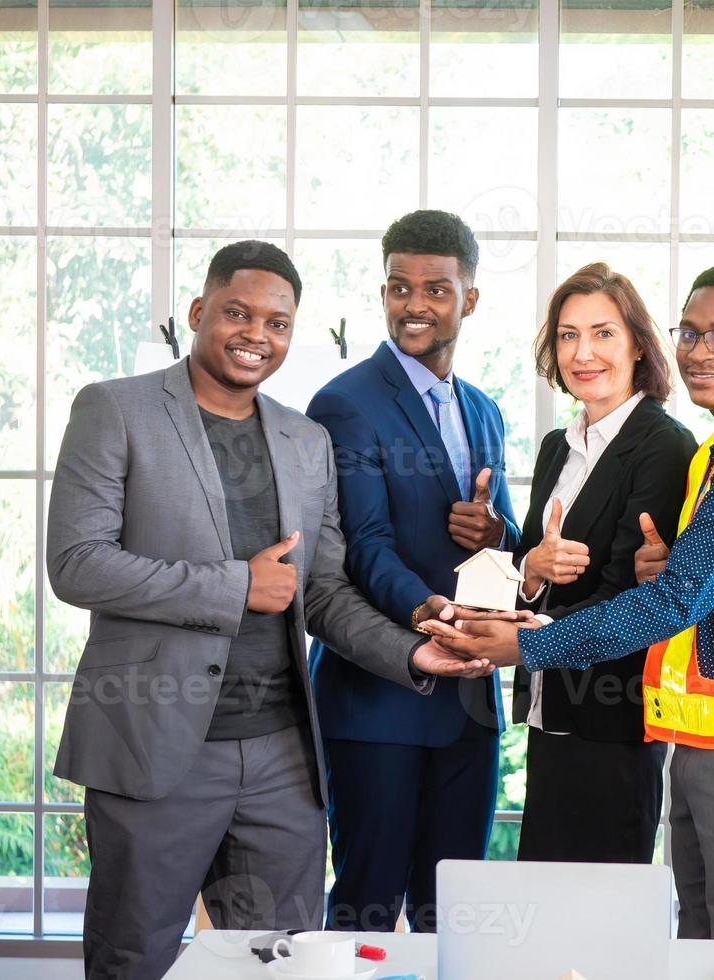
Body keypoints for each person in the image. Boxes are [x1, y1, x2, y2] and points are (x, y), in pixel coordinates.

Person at [47, 240, 491, 980]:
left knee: (286, 963)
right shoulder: (114, 410)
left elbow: (321, 591)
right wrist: (233, 585)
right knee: (134, 958)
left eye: (278, 323)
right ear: (199, 312)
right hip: (156, 747)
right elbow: (76, 564)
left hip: (284, 757)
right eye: (237, 313)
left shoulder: (304, 438)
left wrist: (410, 650)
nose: (257, 334)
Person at [427, 262, 714, 941]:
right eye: (694, 333)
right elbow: (701, 578)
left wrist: (526, 642)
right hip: (708, 738)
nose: (702, 351)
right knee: (706, 945)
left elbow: (675, 599)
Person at [305, 210, 522, 933]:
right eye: (400, 288)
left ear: (471, 299)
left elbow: (509, 545)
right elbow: (362, 546)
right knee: (368, 901)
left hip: (469, 706)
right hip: (380, 702)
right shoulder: (345, 404)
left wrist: (496, 532)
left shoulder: (484, 411)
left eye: (435, 288)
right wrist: (435, 611)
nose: (415, 305)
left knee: (453, 911)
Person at [511, 263, 695, 863]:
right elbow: (527, 567)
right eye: (567, 335)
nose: (582, 352)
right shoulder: (555, 449)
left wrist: (524, 640)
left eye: (602, 333)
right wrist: (533, 570)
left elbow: (632, 590)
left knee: (604, 912)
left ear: (639, 344)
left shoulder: (664, 446)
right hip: (550, 709)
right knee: (544, 901)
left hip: (614, 717)